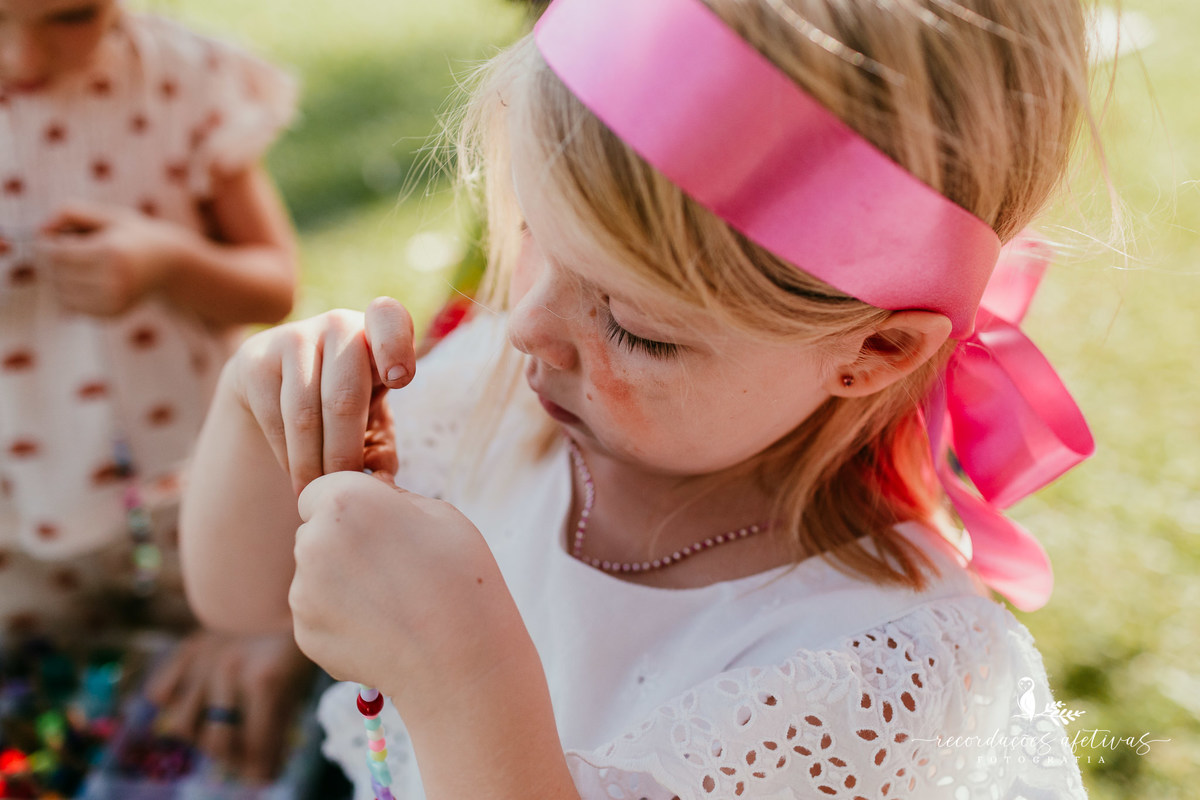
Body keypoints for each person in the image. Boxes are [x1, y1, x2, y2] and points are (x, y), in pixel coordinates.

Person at [180, 0, 1102, 797]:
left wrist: (465, 685)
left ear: (877, 351)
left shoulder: (878, 679)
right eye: (532, 233)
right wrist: (263, 412)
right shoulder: (498, 399)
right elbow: (241, 600)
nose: (525, 327)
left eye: (637, 329)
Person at [0, 0, 311, 783]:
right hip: (15, 521)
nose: (21, 60)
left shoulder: (184, 80)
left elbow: (273, 281)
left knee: (222, 708)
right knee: (35, 730)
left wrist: (170, 262)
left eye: (70, 17)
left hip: (189, 489)